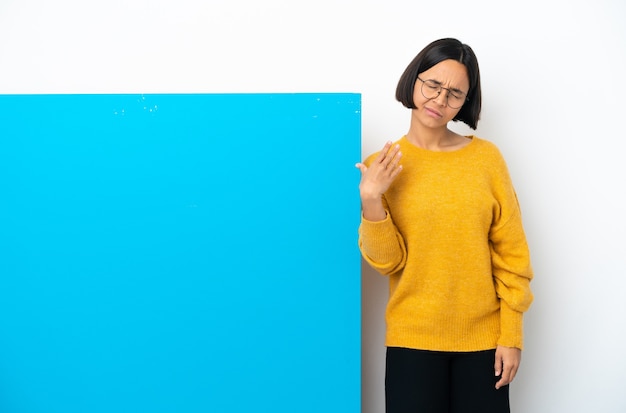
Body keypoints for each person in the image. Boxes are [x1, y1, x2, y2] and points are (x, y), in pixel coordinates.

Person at [356, 38, 534, 413]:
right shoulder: (382, 166)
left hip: (484, 344)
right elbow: (388, 263)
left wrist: (511, 335)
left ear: (466, 101)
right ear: (413, 81)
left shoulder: (486, 159)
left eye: (455, 94)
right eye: (432, 85)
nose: (439, 100)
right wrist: (372, 199)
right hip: (411, 341)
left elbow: (511, 252)